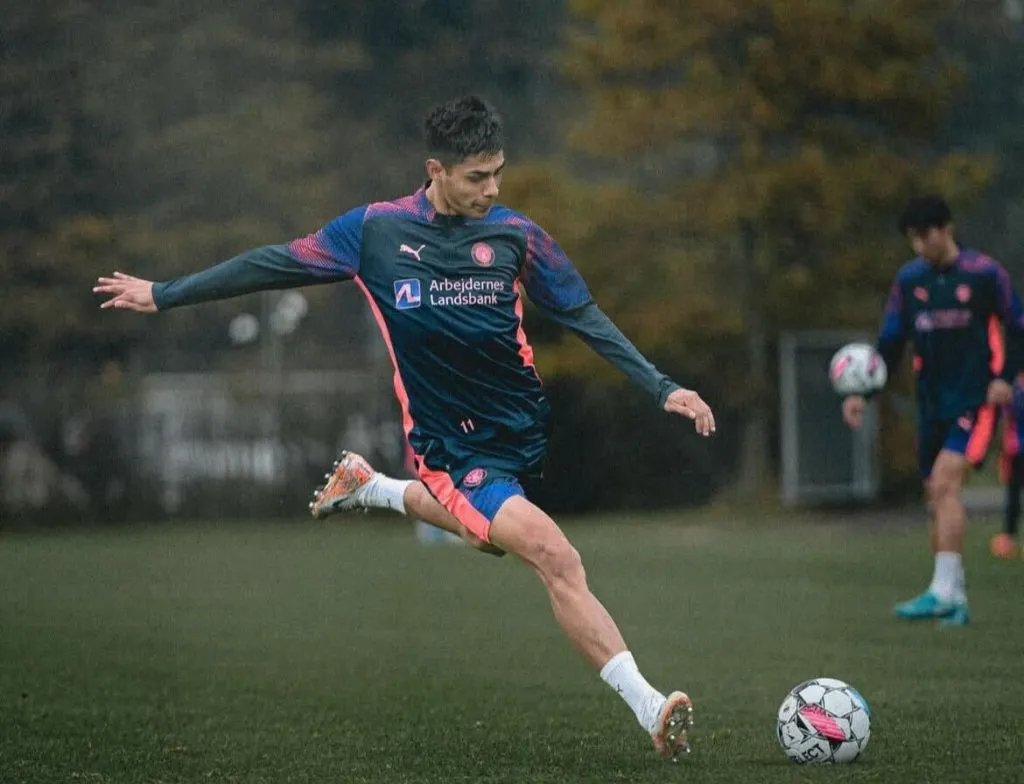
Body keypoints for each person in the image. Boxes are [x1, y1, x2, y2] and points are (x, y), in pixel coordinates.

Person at [94, 96, 716, 758]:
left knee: (488, 540)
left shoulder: (517, 236)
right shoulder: (373, 233)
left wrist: (664, 386)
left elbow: (584, 315)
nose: (493, 189)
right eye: (478, 177)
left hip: (518, 434)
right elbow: (272, 263)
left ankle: (371, 487)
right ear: (436, 170)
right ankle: (651, 706)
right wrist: (165, 292)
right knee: (554, 554)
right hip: (450, 446)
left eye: (498, 172)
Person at [843, 195, 1024, 626]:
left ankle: (941, 591)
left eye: (925, 236)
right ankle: (955, 598)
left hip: (975, 401)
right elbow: (889, 343)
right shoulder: (909, 281)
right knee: (937, 496)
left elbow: (1018, 329)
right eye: (913, 239)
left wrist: (1005, 377)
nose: (919, 246)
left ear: (947, 229)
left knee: (945, 483)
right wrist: (861, 394)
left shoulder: (984, 275)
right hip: (931, 405)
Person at [993, 375, 1024, 559]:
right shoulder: (1013, 385)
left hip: (1015, 447)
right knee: (1013, 495)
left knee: (1013, 495)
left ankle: (1008, 537)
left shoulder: (1013, 387)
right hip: (1016, 449)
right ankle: (1008, 538)